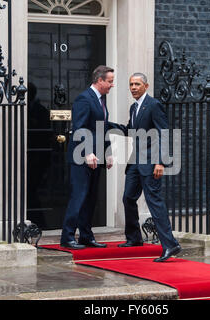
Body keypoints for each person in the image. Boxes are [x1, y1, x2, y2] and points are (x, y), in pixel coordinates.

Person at [108, 72, 181, 262]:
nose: (133, 87)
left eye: (137, 84)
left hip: (151, 163)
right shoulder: (134, 107)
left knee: (154, 202)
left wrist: (161, 162)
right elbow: (130, 130)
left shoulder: (154, 105)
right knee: (128, 198)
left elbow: (164, 133)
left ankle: (170, 244)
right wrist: (108, 125)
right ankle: (134, 238)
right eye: (131, 84)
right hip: (135, 162)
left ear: (146, 86)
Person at [60, 65, 114, 250]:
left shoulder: (101, 99)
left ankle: (86, 236)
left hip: (97, 157)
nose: (111, 85)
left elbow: (102, 128)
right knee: (79, 197)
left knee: (91, 198)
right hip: (81, 158)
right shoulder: (85, 99)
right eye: (110, 81)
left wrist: (107, 153)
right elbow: (80, 128)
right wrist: (87, 152)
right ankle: (67, 237)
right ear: (99, 81)